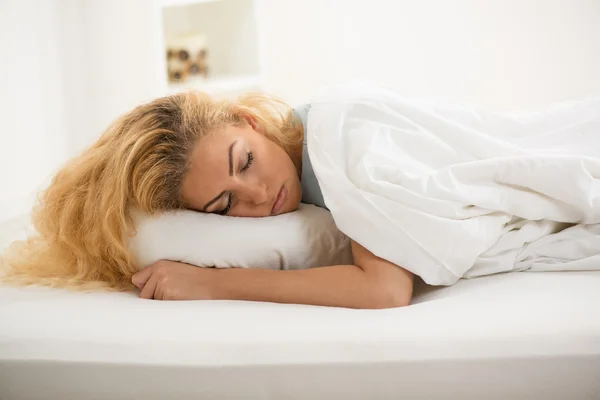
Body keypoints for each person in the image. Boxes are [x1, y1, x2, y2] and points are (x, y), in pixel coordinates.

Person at [0, 91, 413, 309]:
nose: (259, 194)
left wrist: (212, 282)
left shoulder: (335, 140)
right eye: (225, 206)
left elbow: (386, 290)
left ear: (249, 121)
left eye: (246, 160)